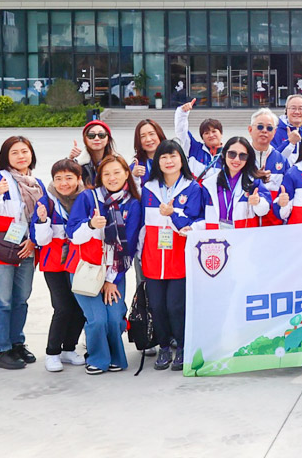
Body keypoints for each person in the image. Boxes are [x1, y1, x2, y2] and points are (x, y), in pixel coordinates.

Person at [67, 153, 142, 374]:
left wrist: (111, 280)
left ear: (126, 174)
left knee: (115, 319)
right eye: (106, 174)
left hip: (115, 272)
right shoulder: (89, 198)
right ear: (100, 176)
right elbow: (72, 234)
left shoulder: (133, 204)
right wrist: (91, 225)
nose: (112, 178)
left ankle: (115, 357)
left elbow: (129, 245)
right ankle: (97, 358)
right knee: (98, 320)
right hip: (86, 269)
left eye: (117, 172)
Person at [0, 135, 50, 370]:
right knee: (3, 300)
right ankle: (3, 350)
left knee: (21, 299)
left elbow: (42, 216)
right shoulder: (0, 178)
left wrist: (33, 242)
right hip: (2, 249)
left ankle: (17, 343)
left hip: (26, 248)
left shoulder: (37, 183)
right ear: (6, 157)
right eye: (15, 152)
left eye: (25, 151)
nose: (21, 156)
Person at [139, 139, 205, 371]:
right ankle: (164, 347)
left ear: (181, 160)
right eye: (164, 157)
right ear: (157, 161)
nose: (168, 161)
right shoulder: (148, 188)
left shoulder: (193, 188)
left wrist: (173, 213)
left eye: (173, 156)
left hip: (180, 257)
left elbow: (195, 223)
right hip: (153, 257)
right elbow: (140, 225)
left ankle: (183, 347)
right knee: (157, 307)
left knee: (175, 307)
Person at [35, 158, 88, 372]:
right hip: (54, 263)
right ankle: (52, 352)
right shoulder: (46, 201)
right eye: (58, 178)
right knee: (63, 307)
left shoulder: (86, 198)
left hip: (79, 261)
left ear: (78, 179)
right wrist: (42, 221)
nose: (63, 183)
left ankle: (69, 348)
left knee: (79, 307)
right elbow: (41, 240)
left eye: (69, 178)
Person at [198, 136, 273, 229]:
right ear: (224, 154)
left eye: (242, 156)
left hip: (244, 235)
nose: (237, 159)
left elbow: (263, 211)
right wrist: (193, 228)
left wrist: (258, 202)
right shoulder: (209, 184)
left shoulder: (253, 182)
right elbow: (201, 215)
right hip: (216, 236)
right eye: (232, 154)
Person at [247, 108, 290, 194]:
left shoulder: (281, 160)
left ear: (274, 132)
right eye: (260, 127)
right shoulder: (240, 156)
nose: (264, 130)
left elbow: (287, 189)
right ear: (250, 130)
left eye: (269, 128)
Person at [173, 99, 223, 171]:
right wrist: (182, 113)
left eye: (214, 131)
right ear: (202, 137)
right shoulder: (194, 148)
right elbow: (182, 131)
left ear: (221, 133)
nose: (211, 135)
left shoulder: (229, 153)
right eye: (206, 133)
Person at [68, 120, 117, 187]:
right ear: (85, 139)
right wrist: (70, 161)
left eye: (101, 135)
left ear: (108, 139)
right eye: (91, 135)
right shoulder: (79, 163)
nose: (96, 138)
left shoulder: (117, 162)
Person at [270, 92, 302, 164]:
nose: (297, 112)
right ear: (286, 111)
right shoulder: (274, 132)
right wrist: (290, 143)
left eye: (301, 108)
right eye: (293, 108)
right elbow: (272, 160)